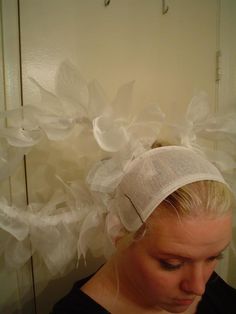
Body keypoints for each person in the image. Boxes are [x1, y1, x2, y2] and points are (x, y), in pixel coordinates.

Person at [51, 145, 236, 314]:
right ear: (119, 233)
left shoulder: (210, 284)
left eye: (213, 257)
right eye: (172, 264)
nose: (199, 288)